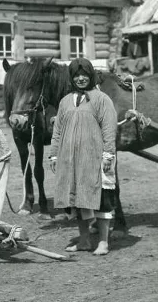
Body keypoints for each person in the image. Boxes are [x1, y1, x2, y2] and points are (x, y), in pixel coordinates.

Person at [48, 57, 118, 256]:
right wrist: (53, 155)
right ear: (71, 78)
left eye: (84, 75)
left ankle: (103, 242)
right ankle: (85, 240)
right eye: (77, 75)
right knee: (77, 200)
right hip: (70, 161)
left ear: (91, 76)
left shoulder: (101, 99)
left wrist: (108, 155)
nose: (80, 78)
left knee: (102, 199)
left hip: (95, 159)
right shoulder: (64, 101)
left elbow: (109, 129)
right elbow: (58, 131)